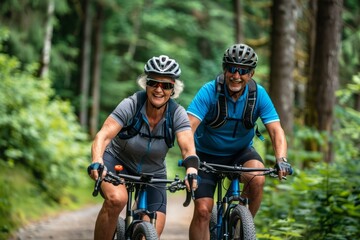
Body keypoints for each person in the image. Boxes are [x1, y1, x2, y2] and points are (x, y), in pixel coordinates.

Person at [186, 43, 292, 240]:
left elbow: (276, 130)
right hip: (206, 155)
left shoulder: (258, 94)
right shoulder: (209, 91)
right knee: (202, 211)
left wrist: (281, 159)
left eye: (243, 71)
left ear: (251, 74)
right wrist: (190, 160)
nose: (236, 75)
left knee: (258, 177)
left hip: (240, 152)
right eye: (232, 69)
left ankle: (242, 228)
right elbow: (187, 128)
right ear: (225, 70)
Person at [88, 55, 199, 240]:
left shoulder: (177, 113)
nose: (159, 89)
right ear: (145, 84)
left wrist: (192, 170)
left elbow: (188, 148)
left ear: (173, 90)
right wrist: (97, 160)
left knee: (151, 233)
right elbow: (103, 135)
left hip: (153, 172)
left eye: (166, 85)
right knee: (117, 200)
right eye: (153, 83)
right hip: (117, 161)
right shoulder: (131, 104)